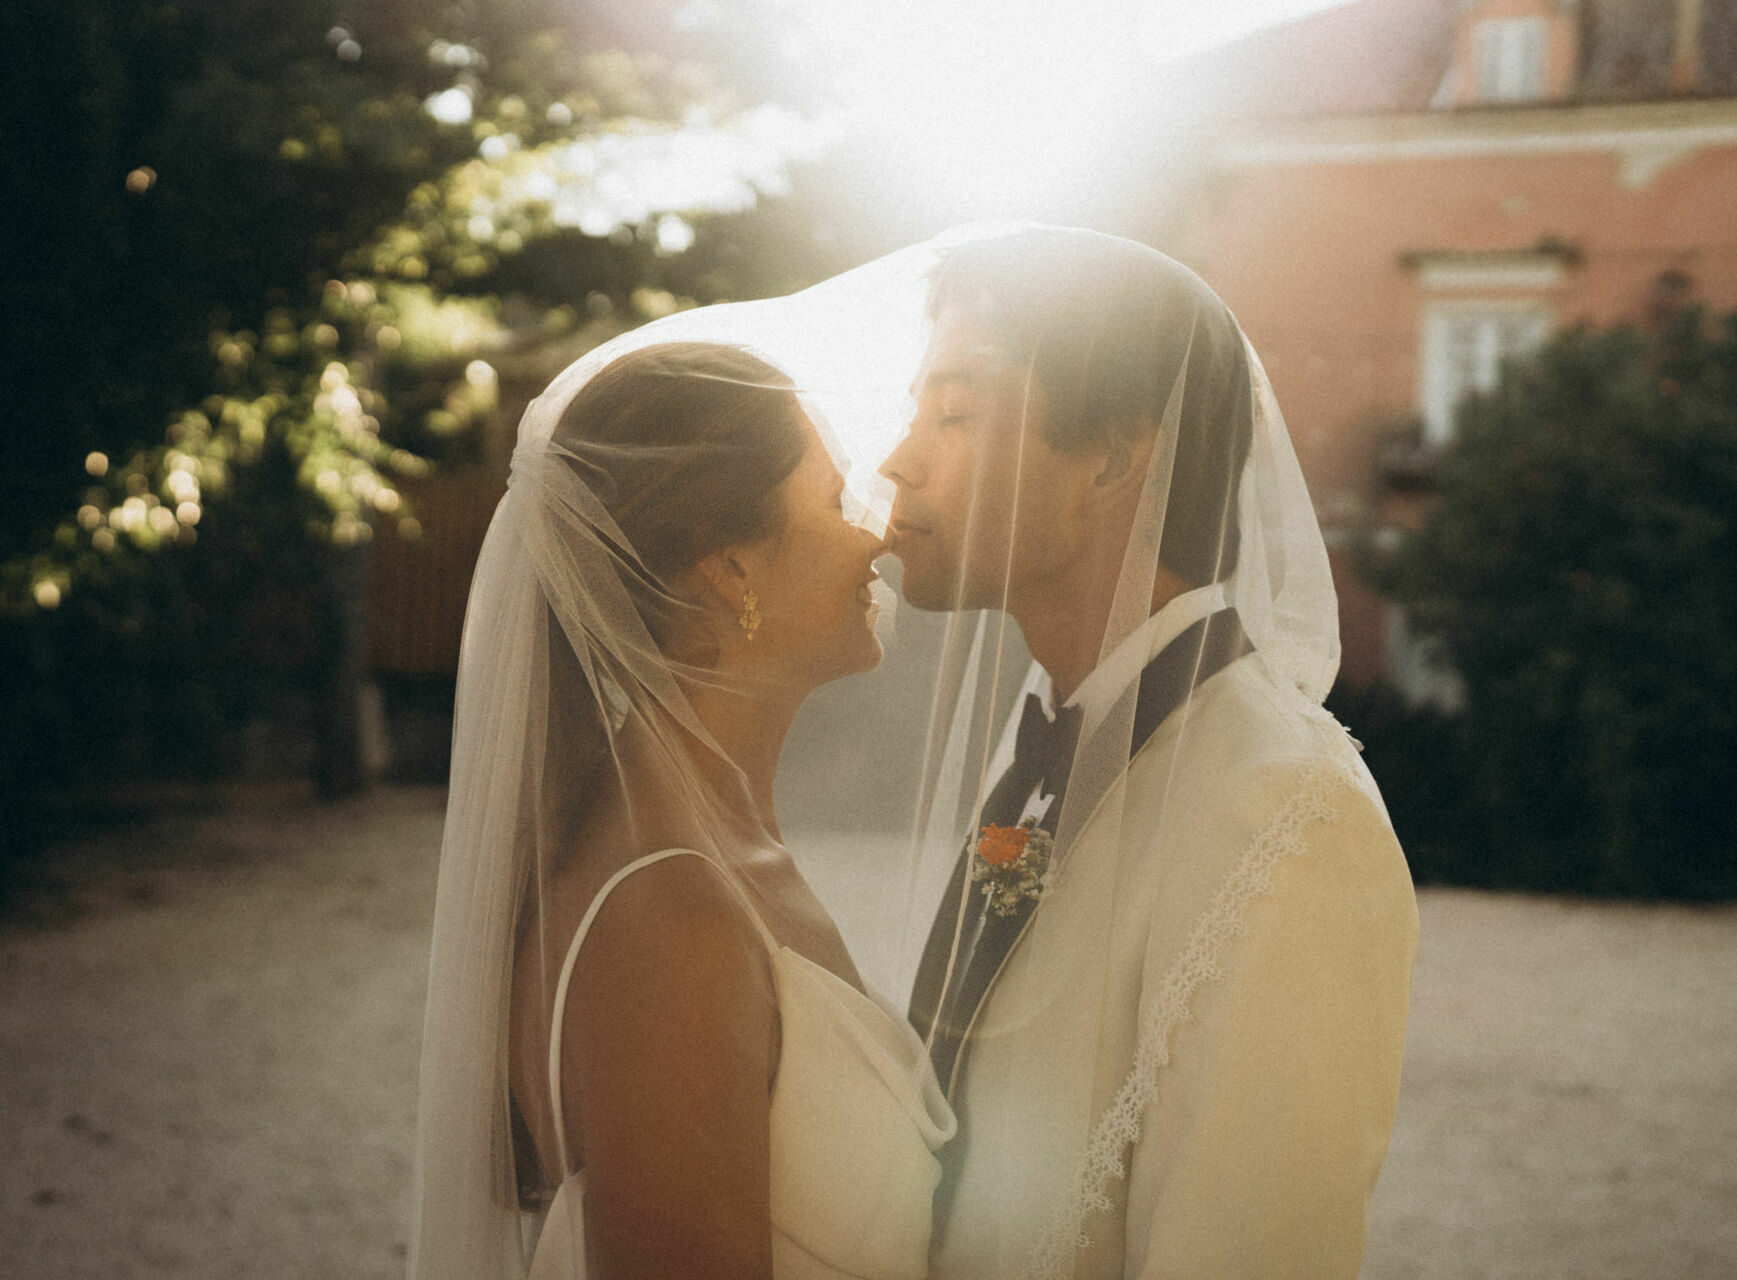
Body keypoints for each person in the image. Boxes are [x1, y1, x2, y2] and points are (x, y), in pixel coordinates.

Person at [884, 227, 1420, 1278]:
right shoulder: (1047, 738)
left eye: (955, 413)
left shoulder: (1283, 812)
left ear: (1114, 458)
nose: (900, 458)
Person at [407, 339, 954, 1279]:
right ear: (731, 571)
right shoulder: (665, 922)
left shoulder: (715, 840)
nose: (875, 537)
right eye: (831, 502)